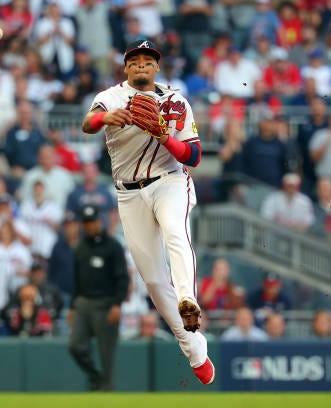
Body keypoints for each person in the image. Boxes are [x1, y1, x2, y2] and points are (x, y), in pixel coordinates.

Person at [81, 39, 214, 385]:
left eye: (148, 60)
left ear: (157, 67)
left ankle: (188, 300)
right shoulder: (111, 97)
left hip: (169, 181)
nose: (141, 64)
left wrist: (164, 137)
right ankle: (193, 347)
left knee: (175, 230)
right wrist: (106, 117)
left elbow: (194, 156)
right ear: (126, 68)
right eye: (135, 60)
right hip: (128, 192)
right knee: (154, 280)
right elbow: (87, 123)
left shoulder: (174, 101)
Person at [67, 205, 129, 391]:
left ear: (99, 221)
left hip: (106, 304)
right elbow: (76, 279)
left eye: (92, 221)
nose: (89, 226)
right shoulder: (81, 247)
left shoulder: (113, 246)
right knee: (75, 346)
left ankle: (106, 387)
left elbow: (122, 277)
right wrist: (72, 306)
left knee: (106, 354)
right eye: (85, 222)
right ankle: (96, 377)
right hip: (84, 303)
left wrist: (117, 304)